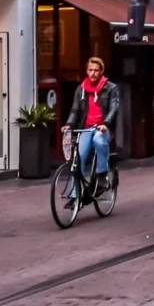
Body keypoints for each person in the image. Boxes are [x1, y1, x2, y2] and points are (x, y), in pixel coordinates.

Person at [62, 57, 121, 204]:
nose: (93, 73)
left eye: (96, 70)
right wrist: (69, 124)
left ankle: (102, 174)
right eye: (90, 70)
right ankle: (76, 193)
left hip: (103, 127)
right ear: (86, 71)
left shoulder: (111, 88)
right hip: (86, 128)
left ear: (102, 71)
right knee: (79, 156)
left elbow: (114, 108)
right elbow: (75, 109)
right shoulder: (81, 89)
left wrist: (106, 123)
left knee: (99, 141)